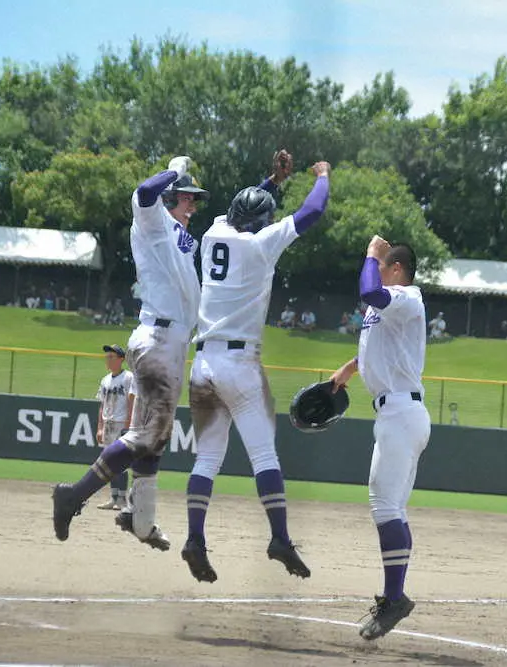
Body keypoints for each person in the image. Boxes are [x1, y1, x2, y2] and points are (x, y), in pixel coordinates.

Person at [182, 151, 330, 584]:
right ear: (262, 221)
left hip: (203, 360)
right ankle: (279, 537)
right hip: (239, 363)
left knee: (207, 457)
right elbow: (313, 210)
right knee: (263, 454)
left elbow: (243, 205)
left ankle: (194, 539)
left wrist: (273, 180)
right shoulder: (262, 244)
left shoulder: (213, 233)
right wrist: (321, 174)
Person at [52, 155, 207, 552]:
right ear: (171, 197)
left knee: (153, 441)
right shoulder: (153, 221)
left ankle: (140, 521)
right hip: (158, 340)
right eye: (188, 197)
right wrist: (176, 170)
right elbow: (142, 193)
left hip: (166, 343)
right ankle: (75, 495)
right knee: (149, 435)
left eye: (195, 199)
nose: (193, 204)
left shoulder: (179, 236)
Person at [329, 237, 430, 641]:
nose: (376, 270)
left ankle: (395, 598)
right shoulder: (388, 306)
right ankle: (395, 597)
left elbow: (369, 289)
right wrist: (351, 368)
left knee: (384, 505)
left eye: (383, 265)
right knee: (392, 508)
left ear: (397, 268)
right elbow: (385, 348)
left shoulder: (407, 297)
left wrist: (371, 254)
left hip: (402, 413)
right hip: (396, 412)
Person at [94, 344, 135, 511]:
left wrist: (128, 424)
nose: (108, 360)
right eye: (107, 357)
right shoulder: (105, 380)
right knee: (109, 462)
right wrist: (100, 427)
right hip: (108, 424)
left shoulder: (128, 378)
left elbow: (132, 401)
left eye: (111, 357)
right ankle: (113, 497)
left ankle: (122, 499)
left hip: (121, 424)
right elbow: (102, 405)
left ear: (121, 359)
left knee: (121, 462)